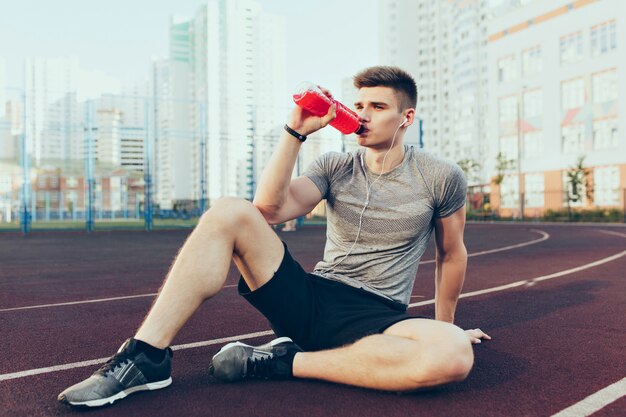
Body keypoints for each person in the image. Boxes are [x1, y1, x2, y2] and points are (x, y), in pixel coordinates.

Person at [58, 66, 490, 408]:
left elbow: (451, 254)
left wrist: (445, 326)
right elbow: (268, 211)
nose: (362, 115)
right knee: (231, 210)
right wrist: (295, 132)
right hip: (310, 298)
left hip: (377, 315)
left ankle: (283, 362)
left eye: (377, 106)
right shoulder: (335, 166)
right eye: (358, 104)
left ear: (406, 117)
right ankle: (145, 357)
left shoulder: (441, 177)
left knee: (451, 354)